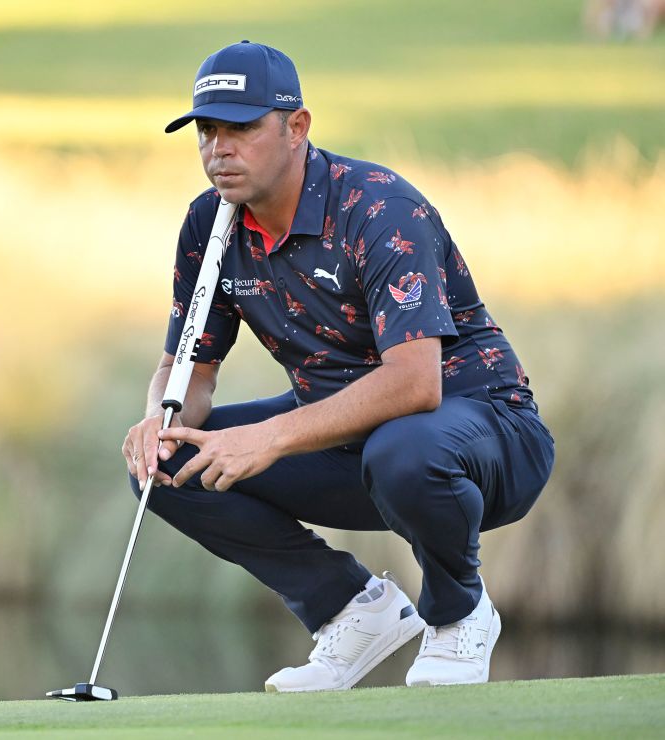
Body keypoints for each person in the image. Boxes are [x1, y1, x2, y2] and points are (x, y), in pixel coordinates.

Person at [122, 40, 555, 692]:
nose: (218, 149)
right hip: (354, 443)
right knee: (170, 467)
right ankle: (351, 610)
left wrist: (267, 438)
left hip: (483, 433)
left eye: (240, 128)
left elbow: (415, 382)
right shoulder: (210, 225)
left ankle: (458, 609)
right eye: (206, 131)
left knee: (404, 449)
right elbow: (192, 369)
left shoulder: (378, 209)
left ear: (297, 127)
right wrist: (160, 417)